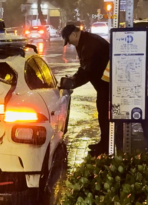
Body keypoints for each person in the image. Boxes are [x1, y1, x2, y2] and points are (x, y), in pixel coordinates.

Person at [61, 25, 110, 156]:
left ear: (74, 34)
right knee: (103, 114)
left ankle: (106, 146)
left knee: (105, 115)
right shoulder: (84, 42)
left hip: (107, 85)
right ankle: (104, 143)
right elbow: (85, 67)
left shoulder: (90, 44)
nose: (69, 43)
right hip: (103, 84)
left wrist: (73, 82)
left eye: (69, 40)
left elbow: (86, 70)